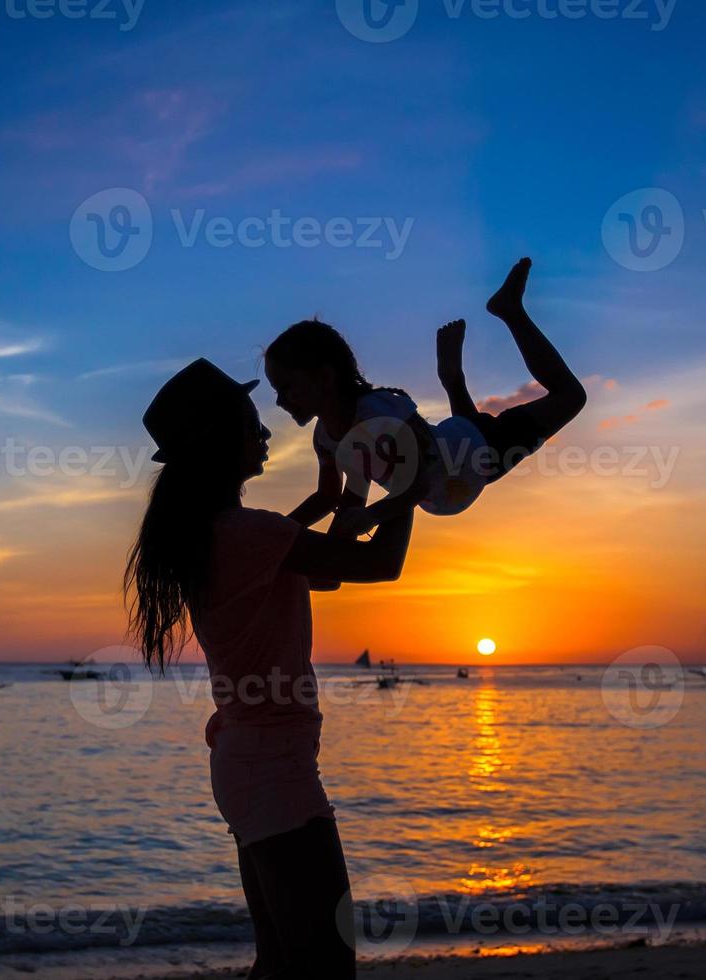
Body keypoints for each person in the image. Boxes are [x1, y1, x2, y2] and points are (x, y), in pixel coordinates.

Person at [125, 359, 415, 979]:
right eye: (252, 426)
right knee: (325, 968)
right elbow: (380, 564)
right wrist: (411, 474)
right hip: (274, 770)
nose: (264, 436)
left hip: (247, 761)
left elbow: (323, 562)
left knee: (283, 964)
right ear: (220, 442)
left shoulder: (217, 534)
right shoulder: (249, 536)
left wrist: (340, 481)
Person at [265, 258, 588, 539]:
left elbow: (424, 479)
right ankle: (452, 378)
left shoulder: (381, 415)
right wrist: (275, 532)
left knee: (571, 396)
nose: (280, 402)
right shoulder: (325, 439)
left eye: (287, 388)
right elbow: (329, 496)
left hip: (480, 452)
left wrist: (372, 516)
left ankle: (511, 312)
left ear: (324, 377)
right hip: (457, 454)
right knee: (464, 429)